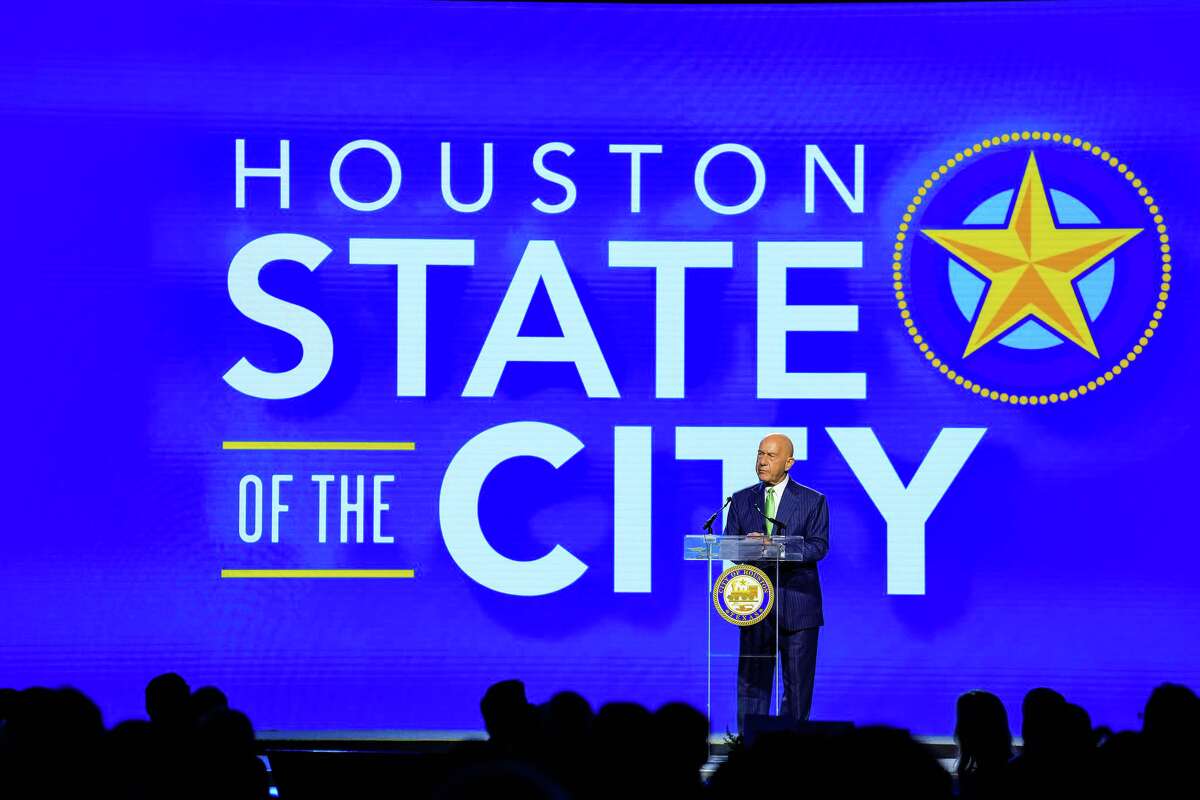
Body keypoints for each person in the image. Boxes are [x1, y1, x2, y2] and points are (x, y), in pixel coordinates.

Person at [724, 433, 829, 729]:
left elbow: (818, 547)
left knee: (796, 686)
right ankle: (750, 749)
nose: (762, 461)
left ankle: (788, 750)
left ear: (789, 462)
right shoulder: (742, 499)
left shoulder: (812, 501)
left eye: (770, 455)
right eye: (760, 454)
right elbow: (730, 547)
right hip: (754, 604)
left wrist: (777, 546)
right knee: (752, 684)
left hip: (798, 604)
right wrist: (747, 544)